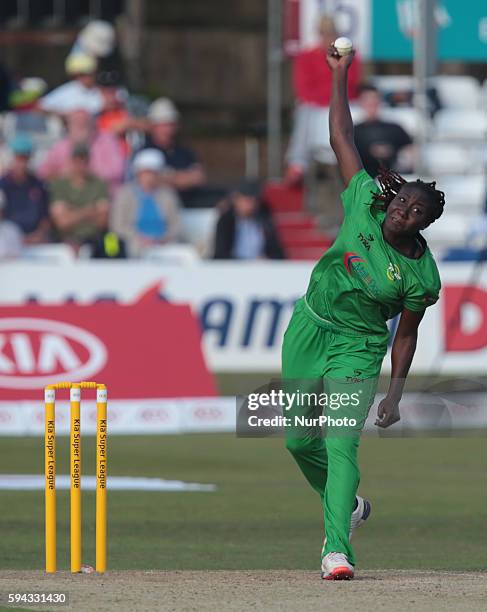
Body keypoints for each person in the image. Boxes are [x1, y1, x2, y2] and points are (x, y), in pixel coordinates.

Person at [281, 45, 444, 580]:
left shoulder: (421, 276)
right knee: (297, 439)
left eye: (415, 210)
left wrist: (394, 395)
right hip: (310, 326)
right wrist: (340, 75)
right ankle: (348, 506)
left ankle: (336, 550)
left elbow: (406, 337)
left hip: (359, 344)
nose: (402, 210)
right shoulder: (363, 198)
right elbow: (340, 137)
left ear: (424, 222)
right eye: (401, 202)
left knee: (340, 441)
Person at [286, 15, 361, 183]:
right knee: (304, 110)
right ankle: (297, 164)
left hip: (342, 103)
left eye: (332, 33)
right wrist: (327, 97)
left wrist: (333, 97)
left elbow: (353, 85)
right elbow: (303, 89)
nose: (329, 37)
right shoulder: (307, 56)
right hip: (316, 106)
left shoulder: (349, 58)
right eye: (325, 33)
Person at [111, 149, 181, 257]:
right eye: (146, 172)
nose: (150, 177)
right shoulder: (125, 194)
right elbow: (118, 226)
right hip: (134, 243)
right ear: (138, 173)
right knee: (124, 249)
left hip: (163, 243)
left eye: (154, 173)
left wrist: (164, 239)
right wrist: (139, 238)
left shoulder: (168, 195)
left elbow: (176, 225)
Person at [38, 108, 125, 192]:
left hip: (102, 197)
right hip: (69, 198)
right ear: (68, 126)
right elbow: (43, 173)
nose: (81, 124)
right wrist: (62, 174)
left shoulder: (107, 141)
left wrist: (82, 172)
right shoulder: (61, 146)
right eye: (76, 122)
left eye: (84, 122)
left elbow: (117, 171)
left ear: (92, 124)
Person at [144, 98, 206, 207]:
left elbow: (199, 177)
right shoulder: (145, 152)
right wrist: (183, 178)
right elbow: (148, 181)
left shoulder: (184, 151)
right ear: (153, 126)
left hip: (188, 205)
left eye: (170, 124)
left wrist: (168, 178)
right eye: (162, 125)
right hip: (157, 210)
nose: (167, 129)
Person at [49, 143, 109, 252]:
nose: (81, 164)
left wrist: (72, 212)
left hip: (95, 237)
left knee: (114, 249)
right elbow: (62, 223)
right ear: (71, 161)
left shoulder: (99, 184)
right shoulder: (60, 185)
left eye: (84, 161)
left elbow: (102, 221)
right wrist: (89, 211)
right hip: (67, 238)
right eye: (77, 160)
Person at [214, 180, 284, 259]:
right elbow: (221, 253)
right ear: (236, 200)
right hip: (232, 268)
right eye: (247, 201)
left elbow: (277, 252)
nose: (251, 205)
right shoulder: (226, 221)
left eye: (254, 201)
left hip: (260, 268)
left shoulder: (264, 221)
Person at [354, 84, 413, 178]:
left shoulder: (395, 128)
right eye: (368, 101)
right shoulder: (354, 132)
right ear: (361, 103)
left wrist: (395, 152)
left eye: (374, 101)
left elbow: (410, 149)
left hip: (395, 177)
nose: (372, 105)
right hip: (366, 180)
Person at [0, 134, 50, 244]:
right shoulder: (2, 185)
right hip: (8, 241)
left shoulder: (39, 185)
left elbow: (45, 217)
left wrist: (38, 236)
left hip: (36, 240)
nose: (21, 164)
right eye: (18, 158)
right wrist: (16, 239)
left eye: (25, 158)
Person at [39, 54, 104, 116]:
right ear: (76, 75)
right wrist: (65, 115)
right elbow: (41, 107)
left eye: (90, 73)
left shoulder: (103, 90)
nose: (88, 77)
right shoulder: (66, 91)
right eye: (83, 74)